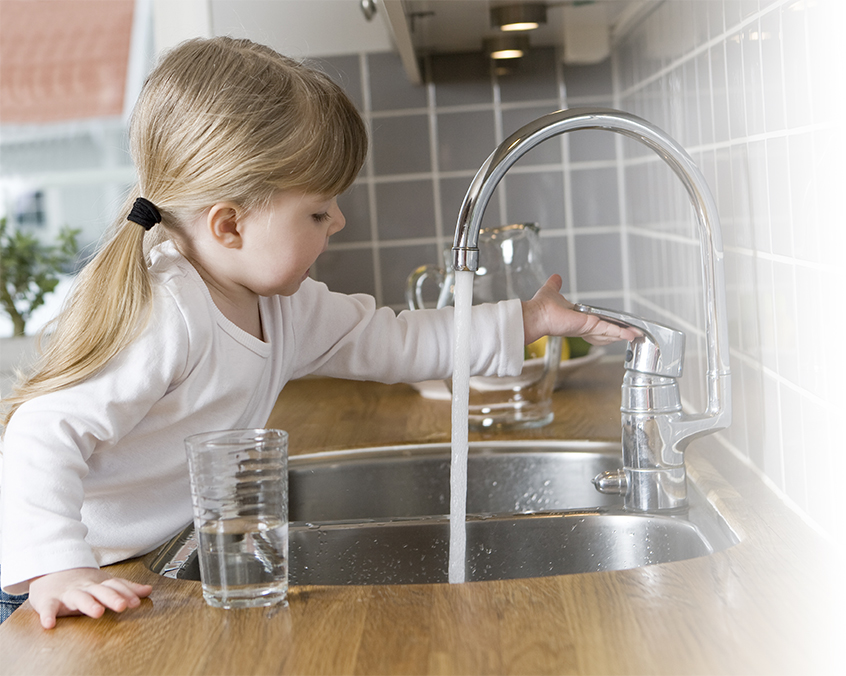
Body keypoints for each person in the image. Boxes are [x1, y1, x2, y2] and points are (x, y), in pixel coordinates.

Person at [0, 37, 638, 630]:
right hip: (54, 579)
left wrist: (527, 322)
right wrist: (58, 565)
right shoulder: (166, 311)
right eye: (316, 209)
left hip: (133, 566)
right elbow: (43, 432)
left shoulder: (280, 306)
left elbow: (396, 342)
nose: (339, 220)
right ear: (229, 226)